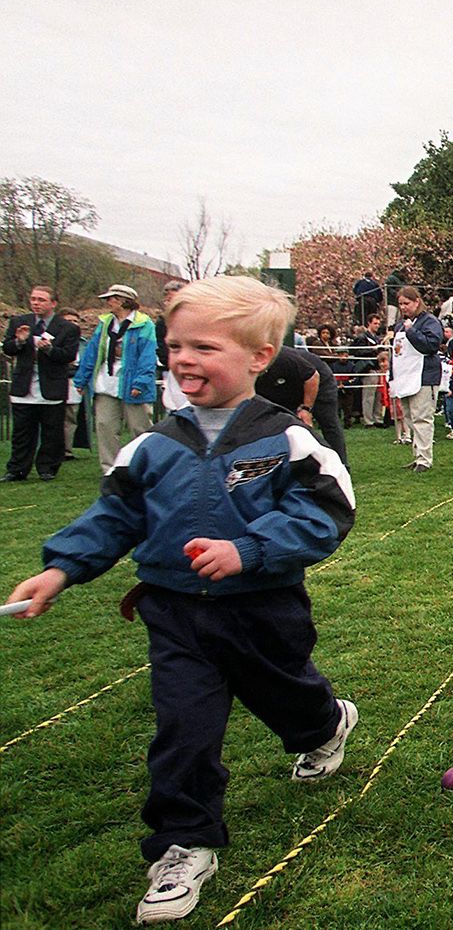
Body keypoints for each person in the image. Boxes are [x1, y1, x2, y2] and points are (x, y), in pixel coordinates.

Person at [6, 275, 358, 926]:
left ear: (259, 356)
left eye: (205, 346)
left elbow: (328, 513)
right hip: (175, 614)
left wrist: (248, 549)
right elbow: (113, 517)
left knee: (287, 696)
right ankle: (184, 842)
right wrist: (60, 570)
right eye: (175, 344)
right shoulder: (153, 445)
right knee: (183, 729)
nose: (183, 358)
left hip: (263, 611)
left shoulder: (288, 440)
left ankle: (325, 724)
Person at [74, 284, 158, 474]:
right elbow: (92, 352)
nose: (108, 302)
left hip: (132, 383)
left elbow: (148, 357)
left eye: (111, 298)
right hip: (106, 382)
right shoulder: (105, 324)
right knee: (105, 427)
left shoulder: (144, 324)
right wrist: (81, 379)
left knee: (140, 428)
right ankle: (110, 470)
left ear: (123, 300)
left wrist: (140, 382)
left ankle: (146, 468)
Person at [3, 285, 81, 482]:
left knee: (52, 431)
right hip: (24, 385)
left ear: (53, 304)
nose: (36, 303)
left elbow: (69, 355)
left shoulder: (68, 328)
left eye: (41, 300)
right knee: (22, 431)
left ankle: (47, 468)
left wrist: (49, 350)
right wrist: (20, 341)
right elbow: (8, 349)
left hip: (51, 386)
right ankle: (17, 469)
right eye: (33, 299)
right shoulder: (19, 322)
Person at [388, 286, 445, 472]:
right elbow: (396, 354)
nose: (403, 307)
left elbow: (432, 345)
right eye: (400, 304)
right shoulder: (400, 324)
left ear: (416, 302)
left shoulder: (430, 322)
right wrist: (392, 376)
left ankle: (424, 458)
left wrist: (412, 332)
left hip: (424, 378)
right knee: (410, 419)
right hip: (404, 378)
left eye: (406, 303)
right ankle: (417, 454)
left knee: (422, 418)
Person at [156, 282, 190, 413]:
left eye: (174, 299)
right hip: (173, 373)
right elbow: (162, 350)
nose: (170, 303)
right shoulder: (162, 323)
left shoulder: (197, 321)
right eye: (168, 300)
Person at [59, 307, 85, 459]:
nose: (73, 324)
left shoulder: (82, 343)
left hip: (74, 382)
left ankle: (67, 450)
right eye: (69, 321)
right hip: (56, 381)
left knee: (71, 417)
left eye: (75, 321)